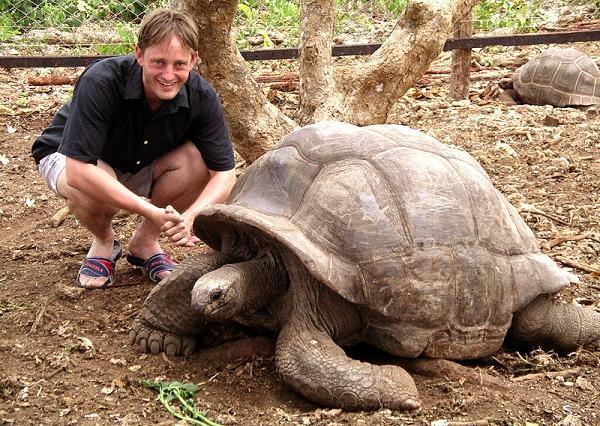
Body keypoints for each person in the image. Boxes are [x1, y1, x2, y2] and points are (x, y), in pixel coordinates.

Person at [31, 8, 236, 289]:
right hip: (68, 159)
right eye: (158, 62)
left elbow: (224, 174)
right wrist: (147, 209)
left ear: (194, 60)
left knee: (198, 162)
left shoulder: (202, 96)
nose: (168, 74)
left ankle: (145, 243)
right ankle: (103, 241)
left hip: (137, 163)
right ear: (139, 55)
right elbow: (78, 171)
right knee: (87, 181)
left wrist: (192, 216)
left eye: (179, 64)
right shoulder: (101, 80)